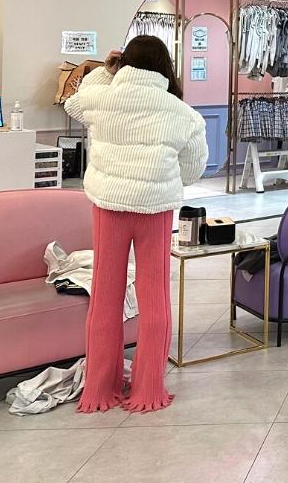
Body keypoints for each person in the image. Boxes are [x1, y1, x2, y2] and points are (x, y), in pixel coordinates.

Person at [64, 35, 208, 413]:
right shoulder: (183, 114)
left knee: (105, 296)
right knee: (154, 295)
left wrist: (105, 71)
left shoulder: (104, 97)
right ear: (166, 67)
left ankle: (99, 389)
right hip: (155, 209)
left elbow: (74, 100)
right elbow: (193, 169)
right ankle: (148, 389)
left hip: (108, 206)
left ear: (124, 63)